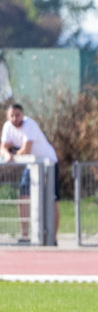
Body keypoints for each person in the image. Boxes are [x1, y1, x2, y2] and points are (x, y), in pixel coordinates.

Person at [1, 102, 59, 243]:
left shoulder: (30, 125)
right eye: (12, 116)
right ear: (8, 116)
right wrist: (7, 155)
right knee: (24, 197)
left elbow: (26, 150)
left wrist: (12, 154)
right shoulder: (7, 127)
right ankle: (25, 235)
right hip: (31, 165)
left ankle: (52, 237)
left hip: (47, 163)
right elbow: (3, 147)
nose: (15, 118)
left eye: (18, 115)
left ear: (23, 115)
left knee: (51, 199)